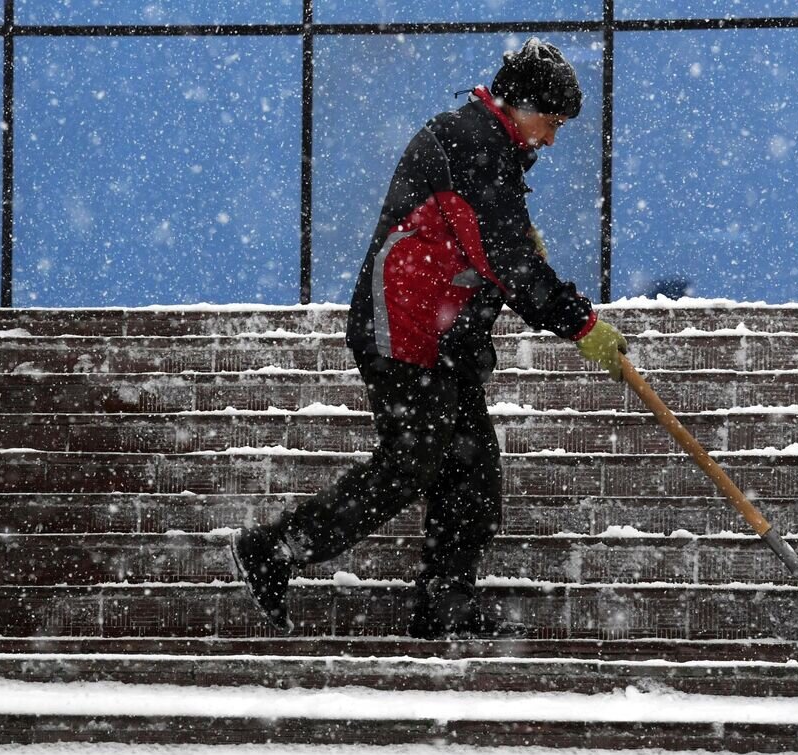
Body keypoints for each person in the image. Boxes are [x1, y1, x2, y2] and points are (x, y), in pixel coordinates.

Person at [231, 38, 628, 638]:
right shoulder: (472, 144)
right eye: (550, 124)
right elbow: (509, 262)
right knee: (411, 462)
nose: (550, 139)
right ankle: (274, 549)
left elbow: (492, 253)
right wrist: (581, 322)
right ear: (520, 105)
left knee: (472, 477)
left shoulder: (488, 147)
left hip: (448, 342)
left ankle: (442, 606)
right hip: (405, 330)